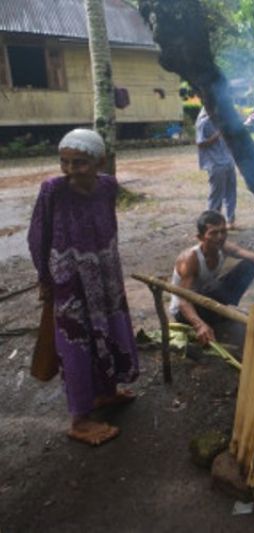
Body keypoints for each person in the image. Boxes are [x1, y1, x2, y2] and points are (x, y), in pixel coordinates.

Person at [27, 128, 139, 447]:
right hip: (69, 279)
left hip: (105, 273)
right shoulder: (52, 190)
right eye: (65, 162)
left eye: (79, 163)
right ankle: (79, 418)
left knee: (110, 330)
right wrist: (44, 279)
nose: (70, 170)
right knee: (76, 342)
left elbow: (110, 223)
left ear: (99, 161)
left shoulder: (108, 186)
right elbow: (38, 237)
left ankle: (105, 392)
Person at [170, 210, 254, 345]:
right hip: (185, 312)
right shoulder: (190, 260)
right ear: (200, 237)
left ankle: (219, 316)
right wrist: (199, 325)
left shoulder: (223, 247)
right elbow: (183, 301)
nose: (220, 237)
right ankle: (215, 318)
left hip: (206, 300)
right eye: (214, 233)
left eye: (223, 231)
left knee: (249, 265)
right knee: (217, 288)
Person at [195, 106, 238, 229]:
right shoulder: (203, 123)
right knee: (216, 196)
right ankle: (211, 224)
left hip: (228, 161)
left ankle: (231, 221)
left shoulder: (221, 120)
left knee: (231, 192)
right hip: (216, 164)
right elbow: (200, 143)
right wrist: (219, 133)